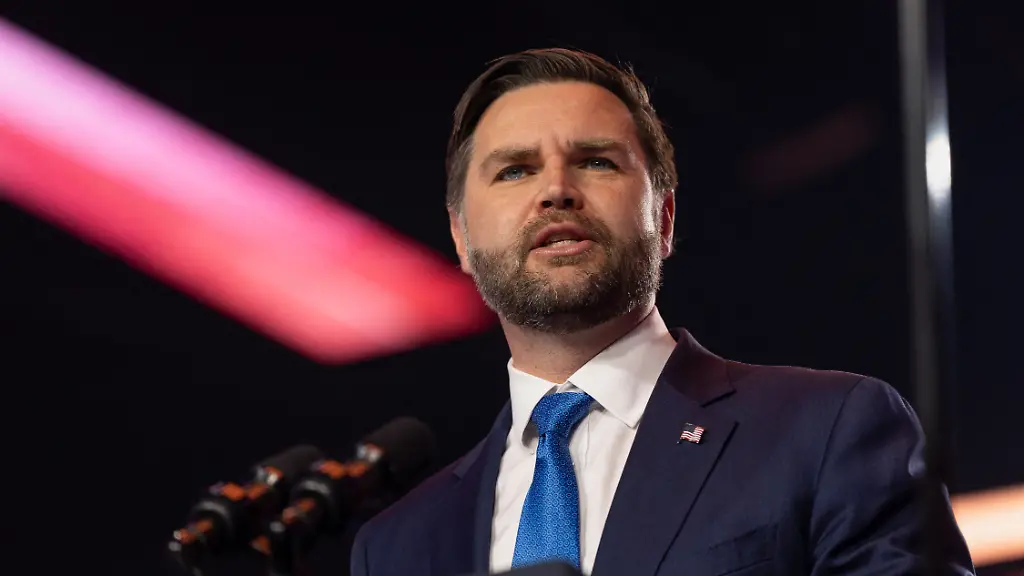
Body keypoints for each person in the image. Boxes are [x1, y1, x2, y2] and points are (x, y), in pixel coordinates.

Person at [350, 48, 974, 576]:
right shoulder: (396, 546)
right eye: (515, 170)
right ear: (461, 237)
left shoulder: (829, 430)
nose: (556, 190)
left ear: (665, 216)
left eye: (596, 161)